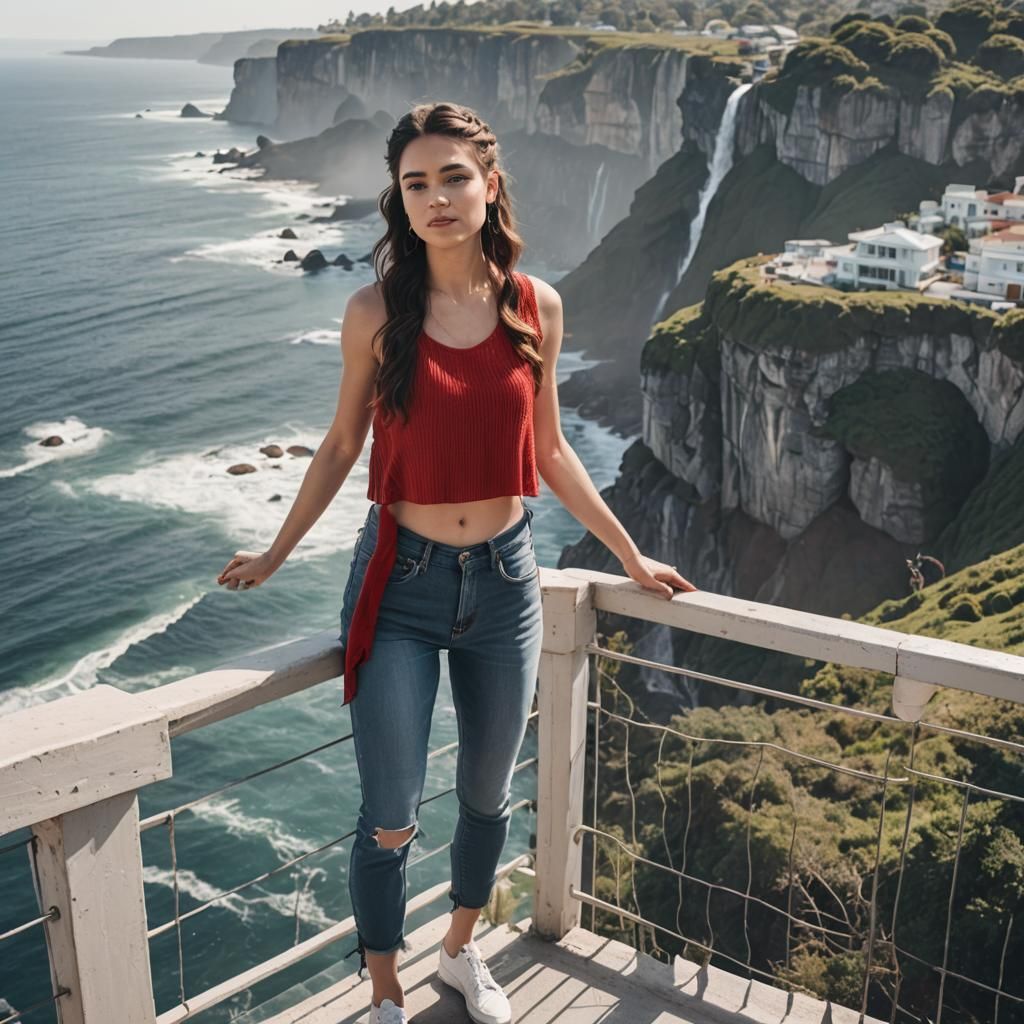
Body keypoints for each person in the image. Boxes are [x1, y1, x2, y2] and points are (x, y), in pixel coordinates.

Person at [217, 100, 697, 1024]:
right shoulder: (373, 314)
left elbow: (550, 452)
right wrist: (279, 552)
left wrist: (632, 557)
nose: (436, 197)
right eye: (415, 183)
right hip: (399, 586)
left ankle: (459, 952)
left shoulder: (537, 306)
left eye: (453, 177)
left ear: (489, 184)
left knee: (484, 798)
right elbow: (339, 446)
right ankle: (388, 992)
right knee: (390, 812)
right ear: (399, 200)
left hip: (510, 585)